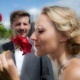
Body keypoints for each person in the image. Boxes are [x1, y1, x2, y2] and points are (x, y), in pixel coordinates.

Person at [0, 5, 80, 80]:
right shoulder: (62, 68)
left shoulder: (76, 72)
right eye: (18, 24)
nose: (32, 37)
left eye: (41, 31)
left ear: (63, 36)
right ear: (11, 26)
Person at [0, 10, 54, 80]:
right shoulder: (2, 48)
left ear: (29, 26)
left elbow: (48, 77)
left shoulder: (41, 47)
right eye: (18, 24)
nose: (22, 27)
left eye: (25, 24)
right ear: (11, 26)